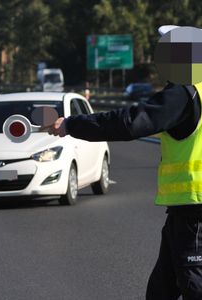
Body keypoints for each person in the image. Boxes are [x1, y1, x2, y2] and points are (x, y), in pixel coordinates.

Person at [47, 26, 202, 300]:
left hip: (195, 210)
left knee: (193, 286)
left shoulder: (184, 93)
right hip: (183, 213)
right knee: (161, 290)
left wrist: (72, 124)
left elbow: (130, 123)